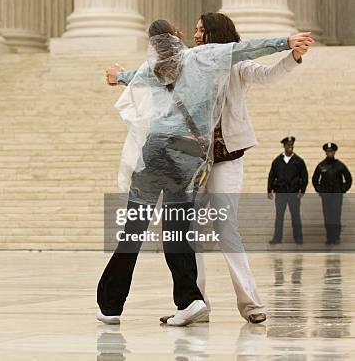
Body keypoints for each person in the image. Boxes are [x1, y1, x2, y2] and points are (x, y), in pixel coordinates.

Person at [97, 19, 313, 326]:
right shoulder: (196, 59)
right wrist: (284, 41)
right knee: (180, 228)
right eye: (193, 31)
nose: (197, 34)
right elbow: (249, 47)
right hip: (189, 157)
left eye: (202, 29)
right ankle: (192, 300)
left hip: (181, 153)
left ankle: (116, 305)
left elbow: (138, 76)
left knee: (157, 227)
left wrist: (118, 75)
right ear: (180, 37)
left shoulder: (172, 62)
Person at [268, 137, 308, 245]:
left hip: (293, 193)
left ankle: (298, 238)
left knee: (295, 216)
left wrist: (302, 190)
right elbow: (272, 175)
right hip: (281, 193)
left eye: (291, 146)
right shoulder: (277, 161)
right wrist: (269, 190)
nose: (290, 147)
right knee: (279, 216)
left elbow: (304, 177)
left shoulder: (299, 161)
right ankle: (277, 238)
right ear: (284, 146)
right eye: (288, 146)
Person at [312, 143, 352, 245]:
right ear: (326, 152)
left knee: (336, 216)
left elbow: (348, 178)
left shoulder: (340, 165)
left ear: (334, 152)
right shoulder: (321, 165)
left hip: (337, 195)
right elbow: (315, 180)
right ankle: (329, 237)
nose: (330, 153)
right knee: (327, 216)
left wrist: (343, 189)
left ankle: (336, 237)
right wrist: (320, 190)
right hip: (326, 196)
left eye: (332, 151)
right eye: (328, 151)